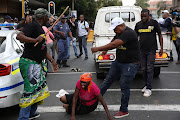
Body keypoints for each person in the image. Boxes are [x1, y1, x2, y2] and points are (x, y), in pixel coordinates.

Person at [91, 17, 140, 118]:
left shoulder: (129, 33)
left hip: (130, 64)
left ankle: (124, 110)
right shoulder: (119, 32)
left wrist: (98, 48)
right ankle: (96, 99)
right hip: (119, 62)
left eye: (115, 28)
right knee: (108, 79)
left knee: (124, 85)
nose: (114, 30)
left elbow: (114, 44)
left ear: (121, 25)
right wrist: (105, 51)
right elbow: (114, 39)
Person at [16, 8, 59, 120]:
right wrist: (34, 40)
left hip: (36, 63)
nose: (49, 19)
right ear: (42, 17)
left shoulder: (40, 28)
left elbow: (43, 49)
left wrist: (52, 61)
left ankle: (31, 113)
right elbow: (19, 36)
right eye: (47, 17)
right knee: (30, 91)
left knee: (37, 89)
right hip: (29, 62)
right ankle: (23, 118)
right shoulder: (33, 25)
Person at [135, 9, 163, 97]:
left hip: (151, 49)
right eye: (142, 16)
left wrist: (161, 48)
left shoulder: (154, 23)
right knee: (143, 69)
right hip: (141, 50)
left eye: (145, 16)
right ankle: (146, 84)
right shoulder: (138, 25)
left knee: (150, 68)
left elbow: (160, 35)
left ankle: (149, 88)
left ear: (149, 16)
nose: (143, 18)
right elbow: (135, 38)